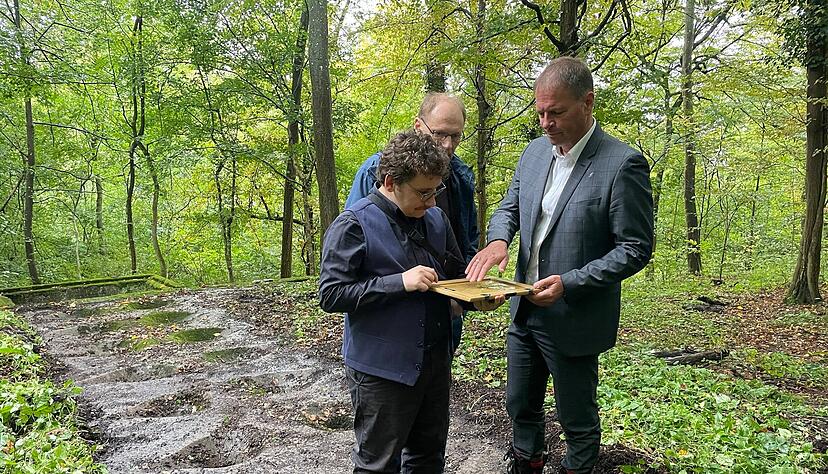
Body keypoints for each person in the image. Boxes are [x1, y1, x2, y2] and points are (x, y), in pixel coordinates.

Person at [465, 57, 654, 474]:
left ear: (587, 102)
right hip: (524, 307)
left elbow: (636, 248)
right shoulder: (535, 154)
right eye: (539, 112)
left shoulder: (621, 164)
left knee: (576, 417)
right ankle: (527, 461)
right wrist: (498, 240)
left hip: (575, 315)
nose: (546, 123)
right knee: (519, 403)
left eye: (556, 112)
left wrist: (569, 283)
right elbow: (509, 207)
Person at [320, 130, 502, 473]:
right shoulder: (352, 224)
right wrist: (398, 283)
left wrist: (477, 299)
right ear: (391, 182)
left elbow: (452, 277)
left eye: (436, 191)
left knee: (427, 459)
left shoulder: (435, 219)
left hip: (434, 362)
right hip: (381, 371)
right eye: (423, 192)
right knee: (379, 465)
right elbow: (331, 294)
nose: (431, 201)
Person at [345, 92, 479, 352]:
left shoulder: (460, 176)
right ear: (419, 126)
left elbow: (467, 240)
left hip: (443, 314)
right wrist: (397, 285)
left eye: (456, 136)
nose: (448, 145)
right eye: (440, 133)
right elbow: (353, 245)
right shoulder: (379, 170)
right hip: (388, 320)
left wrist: (464, 295)